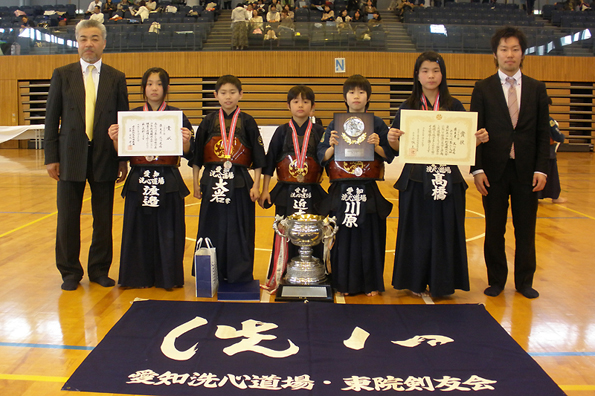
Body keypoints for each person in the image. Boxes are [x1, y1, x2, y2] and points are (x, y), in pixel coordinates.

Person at [388, 52, 489, 298]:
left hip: (448, 180)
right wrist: (391, 139)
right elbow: (396, 147)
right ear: (417, 75)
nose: (430, 75)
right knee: (416, 230)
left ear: (442, 74)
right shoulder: (407, 107)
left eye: (435, 70)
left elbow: (464, 146)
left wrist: (477, 141)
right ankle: (414, 280)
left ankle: (443, 282)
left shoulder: (455, 107)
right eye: (425, 70)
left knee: (446, 230)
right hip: (415, 179)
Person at [44, 19, 129, 291]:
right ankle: (69, 272)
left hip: (105, 156)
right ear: (77, 43)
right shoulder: (62, 74)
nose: (89, 44)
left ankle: (99, 270)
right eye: (83, 39)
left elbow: (122, 120)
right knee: (67, 218)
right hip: (70, 157)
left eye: (94, 38)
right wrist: (51, 157)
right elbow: (51, 118)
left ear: (104, 42)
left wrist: (122, 159)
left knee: (103, 219)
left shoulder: (116, 78)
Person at [471, 27, 550, 299]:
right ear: (495, 54)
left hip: (527, 171)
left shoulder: (537, 89)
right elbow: (476, 132)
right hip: (493, 171)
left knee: (526, 228)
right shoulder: (483, 88)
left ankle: (525, 281)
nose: (509, 54)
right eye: (504, 49)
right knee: (494, 228)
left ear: (523, 53)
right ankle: (496, 280)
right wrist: (477, 169)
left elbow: (543, 134)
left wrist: (542, 168)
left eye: (515, 49)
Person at [107, 67, 193, 290]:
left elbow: (189, 152)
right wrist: (115, 139)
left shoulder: (178, 115)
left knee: (169, 230)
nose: (154, 88)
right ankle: (137, 277)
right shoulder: (132, 115)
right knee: (138, 230)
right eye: (149, 83)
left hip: (168, 179)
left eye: (159, 83)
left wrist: (185, 141)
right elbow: (122, 152)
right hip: (139, 178)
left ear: (166, 88)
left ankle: (168, 278)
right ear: (143, 88)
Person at [317, 74, 395, 296]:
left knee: (369, 236)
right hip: (342, 187)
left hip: (367, 187)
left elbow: (389, 155)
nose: (356, 96)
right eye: (352, 92)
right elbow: (322, 155)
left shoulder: (377, 123)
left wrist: (378, 145)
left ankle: (370, 283)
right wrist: (331, 146)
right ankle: (343, 283)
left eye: (361, 92)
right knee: (342, 237)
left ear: (368, 96)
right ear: (345, 97)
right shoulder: (335, 123)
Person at [191, 75, 266, 284]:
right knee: (210, 227)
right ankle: (210, 273)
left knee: (239, 228)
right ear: (216, 95)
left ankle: (239, 274)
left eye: (233, 92)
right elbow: (197, 156)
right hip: (212, 181)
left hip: (240, 182)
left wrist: (257, 185)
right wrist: (196, 183)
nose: (228, 97)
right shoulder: (208, 121)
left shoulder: (248, 121)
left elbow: (259, 157)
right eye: (223, 93)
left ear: (240, 94)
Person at [259, 85, 327, 291]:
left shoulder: (319, 131)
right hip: (286, 191)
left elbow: (327, 160)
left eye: (305, 102)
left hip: (312, 191)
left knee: (316, 233)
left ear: (313, 108)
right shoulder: (281, 131)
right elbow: (269, 163)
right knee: (284, 232)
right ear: (288, 106)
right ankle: (279, 273)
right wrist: (264, 190)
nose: (300, 105)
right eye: (296, 101)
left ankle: (317, 273)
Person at [538, 97, 566, 203]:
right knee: (551, 174)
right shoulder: (549, 120)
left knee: (537, 172)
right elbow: (556, 135)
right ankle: (555, 196)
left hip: (535, 150)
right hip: (548, 151)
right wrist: (562, 138)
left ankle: (537, 196)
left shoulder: (532, 118)